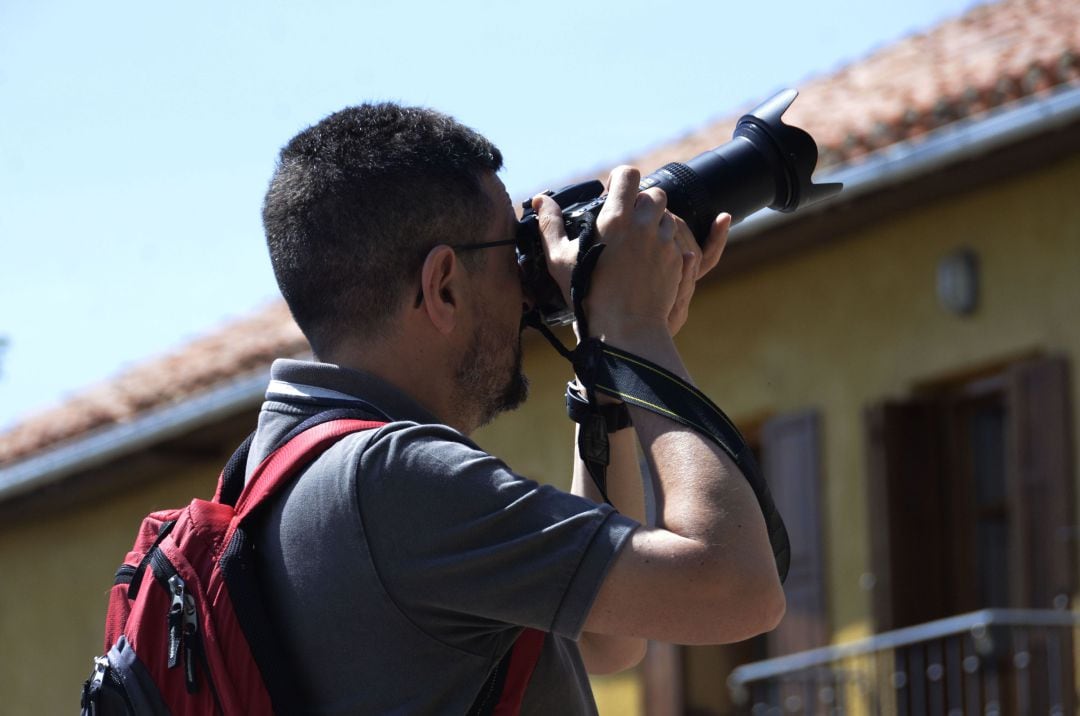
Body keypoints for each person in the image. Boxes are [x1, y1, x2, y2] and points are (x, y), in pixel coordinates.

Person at [253, 103, 785, 714]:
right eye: (514, 251)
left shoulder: (283, 477)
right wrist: (636, 331)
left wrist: (607, 364)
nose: (530, 280)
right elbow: (738, 589)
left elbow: (604, 640)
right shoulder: (396, 479)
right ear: (444, 285)